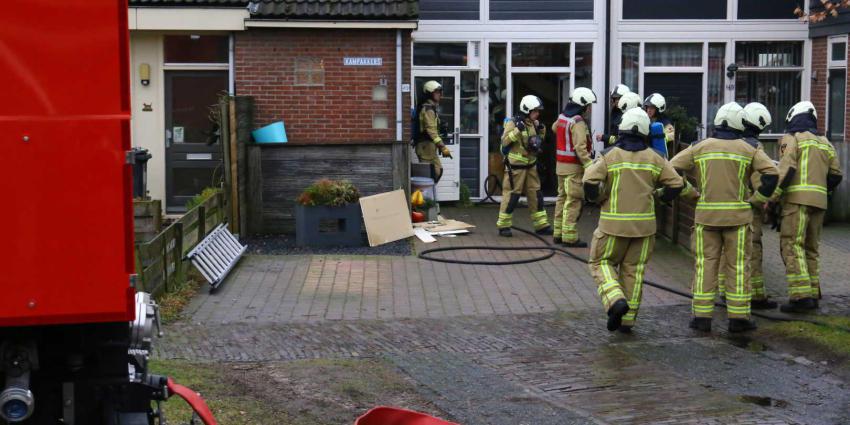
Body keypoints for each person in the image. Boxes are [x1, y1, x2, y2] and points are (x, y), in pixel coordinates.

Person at [670, 102, 778, 333]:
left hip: (706, 218)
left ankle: (701, 317)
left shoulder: (700, 147)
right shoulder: (747, 148)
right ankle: (739, 319)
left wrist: (689, 192)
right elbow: (772, 174)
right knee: (738, 266)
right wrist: (757, 199)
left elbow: (669, 169)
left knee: (705, 266)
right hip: (738, 220)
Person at [585, 107, 685, 332]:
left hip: (612, 226)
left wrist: (600, 198)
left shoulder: (609, 155)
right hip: (644, 229)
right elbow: (676, 184)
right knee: (634, 270)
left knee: (600, 262)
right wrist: (658, 197)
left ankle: (614, 300)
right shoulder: (655, 158)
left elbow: (589, 182)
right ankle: (627, 321)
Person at [773, 101, 843, 313]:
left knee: (793, 246)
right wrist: (821, 191)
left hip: (796, 202)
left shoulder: (792, 139)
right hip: (819, 203)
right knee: (811, 249)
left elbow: (786, 170)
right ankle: (812, 293)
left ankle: (800, 297)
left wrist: (773, 196)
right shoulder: (825, 143)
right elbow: (836, 175)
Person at [717, 103, 778, 309]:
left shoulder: (734, 142)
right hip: (748, 207)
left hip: (728, 204)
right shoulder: (752, 148)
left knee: (727, 250)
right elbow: (758, 179)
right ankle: (755, 296)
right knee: (752, 248)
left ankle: (725, 291)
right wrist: (762, 200)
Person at [496, 95, 552, 237]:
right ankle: (504, 226)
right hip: (516, 168)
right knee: (512, 196)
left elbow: (536, 142)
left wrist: (541, 130)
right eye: (535, 111)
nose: (537, 113)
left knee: (536, 195)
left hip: (531, 165)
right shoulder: (513, 123)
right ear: (527, 110)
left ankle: (541, 225)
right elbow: (505, 142)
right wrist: (517, 131)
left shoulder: (533, 123)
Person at [551, 87, 597, 246]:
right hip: (573, 169)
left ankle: (558, 234)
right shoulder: (578, 122)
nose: (590, 109)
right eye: (589, 106)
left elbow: (554, 128)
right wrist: (590, 165)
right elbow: (580, 148)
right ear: (582, 105)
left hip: (560, 167)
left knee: (561, 199)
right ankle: (570, 238)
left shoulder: (562, 117)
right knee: (574, 201)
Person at [415, 81, 452, 183]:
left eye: (440, 92)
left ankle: (426, 196)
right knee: (429, 175)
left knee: (437, 171)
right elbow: (431, 131)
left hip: (429, 147)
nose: (440, 94)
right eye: (437, 92)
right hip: (425, 147)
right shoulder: (428, 110)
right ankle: (422, 196)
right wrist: (442, 147)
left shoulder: (431, 108)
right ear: (429, 93)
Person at [596, 84, 631, 148]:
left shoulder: (628, 115)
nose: (616, 101)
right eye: (615, 98)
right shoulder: (616, 111)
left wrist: (605, 137)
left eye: (619, 98)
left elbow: (622, 140)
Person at [644, 93, 675, 158]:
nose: (648, 110)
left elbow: (672, 134)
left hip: (658, 155)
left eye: (652, 108)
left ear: (659, 109)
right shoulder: (644, 120)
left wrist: (663, 137)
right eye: (647, 107)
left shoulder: (664, 122)